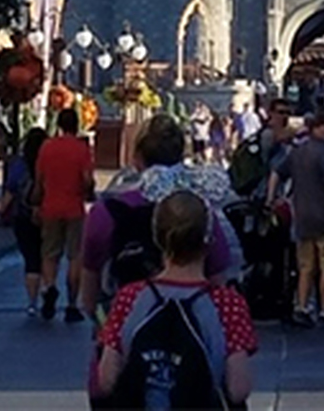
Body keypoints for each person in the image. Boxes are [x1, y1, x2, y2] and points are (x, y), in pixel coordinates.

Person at [96, 190, 257, 409]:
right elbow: (238, 389)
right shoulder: (228, 304)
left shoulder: (130, 297)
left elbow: (106, 380)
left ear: (157, 237)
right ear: (208, 239)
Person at [80, 113, 240, 323]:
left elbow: (89, 292)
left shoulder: (107, 210)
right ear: (181, 154)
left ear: (136, 157)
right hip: (188, 326)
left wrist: (107, 325)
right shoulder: (197, 208)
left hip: (125, 324)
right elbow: (218, 275)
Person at [266, 108, 324, 326]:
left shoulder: (297, 152)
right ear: (317, 128)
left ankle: (302, 306)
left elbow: (276, 172)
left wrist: (271, 197)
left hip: (303, 216)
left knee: (306, 267)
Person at [33, 107, 95, 322]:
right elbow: (87, 179)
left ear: (58, 124)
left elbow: (39, 179)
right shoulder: (81, 149)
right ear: (76, 125)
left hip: (50, 206)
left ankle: (49, 287)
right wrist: (88, 191)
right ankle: (71, 305)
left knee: (49, 253)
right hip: (73, 207)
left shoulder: (47, 148)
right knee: (75, 255)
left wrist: (36, 202)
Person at [0, 127, 47, 315]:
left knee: (31, 260)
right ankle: (47, 288)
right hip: (47, 214)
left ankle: (32, 302)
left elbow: (11, 190)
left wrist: (2, 210)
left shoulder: (19, 164)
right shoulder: (49, 162)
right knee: (48, 256)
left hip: (23, 216)